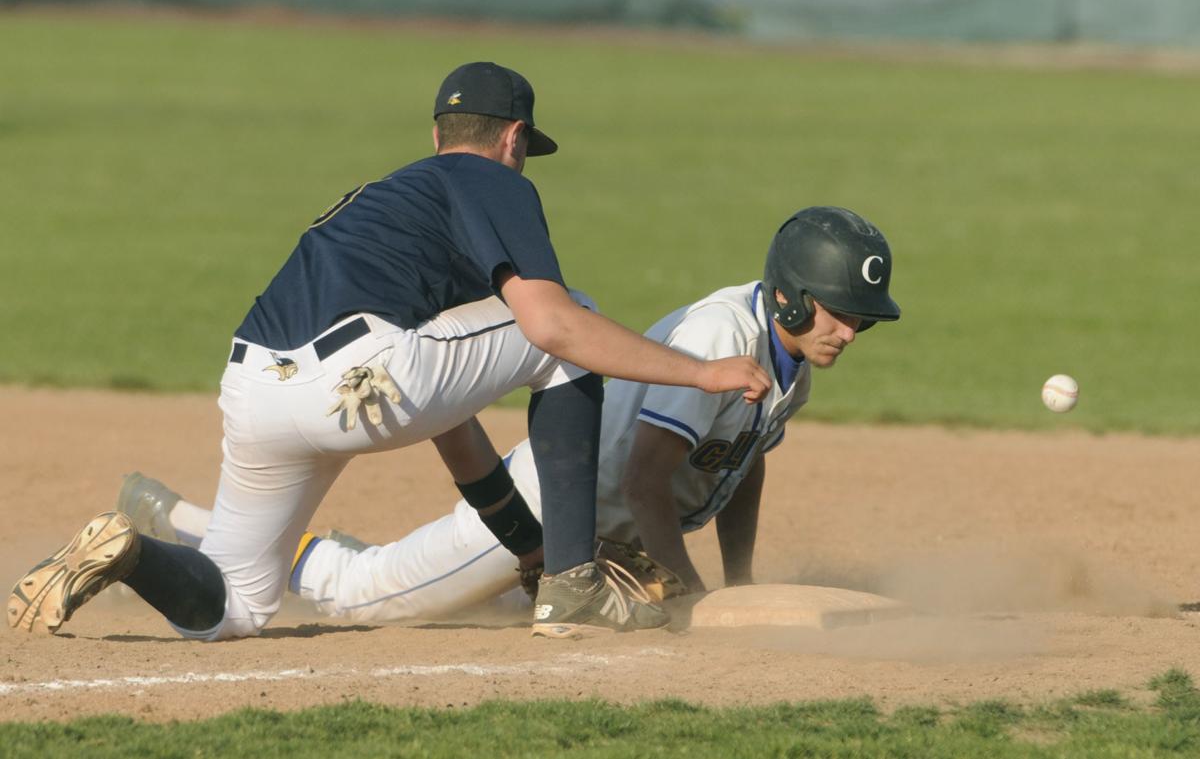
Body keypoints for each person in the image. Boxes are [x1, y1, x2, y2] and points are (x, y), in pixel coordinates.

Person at [7, 61, 771, 641]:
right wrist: (703, 370)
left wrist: (525, 545)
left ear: (437, 136)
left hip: (255, 387)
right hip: (363, 375)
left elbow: (452, 420)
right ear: (512, 140)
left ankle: (130, 552)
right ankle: (576, 586)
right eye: (524, 149)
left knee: (234, 604)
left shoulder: (387, 206)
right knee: (576, 320)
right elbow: (553, 330)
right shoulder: (493, 181)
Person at [111, 207, 900, 627]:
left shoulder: (789, 363)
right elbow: (645, 478)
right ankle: (178, 520)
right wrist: (692, 596)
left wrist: (741, 580)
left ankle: (212, 529)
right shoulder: (721, 337)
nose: (850, 330)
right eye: (840, 311)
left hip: (600, 537)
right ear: (792, 296)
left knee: (476, 609)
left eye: (861, 320)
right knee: (367, 593)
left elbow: (743, 463)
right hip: (543, 512)